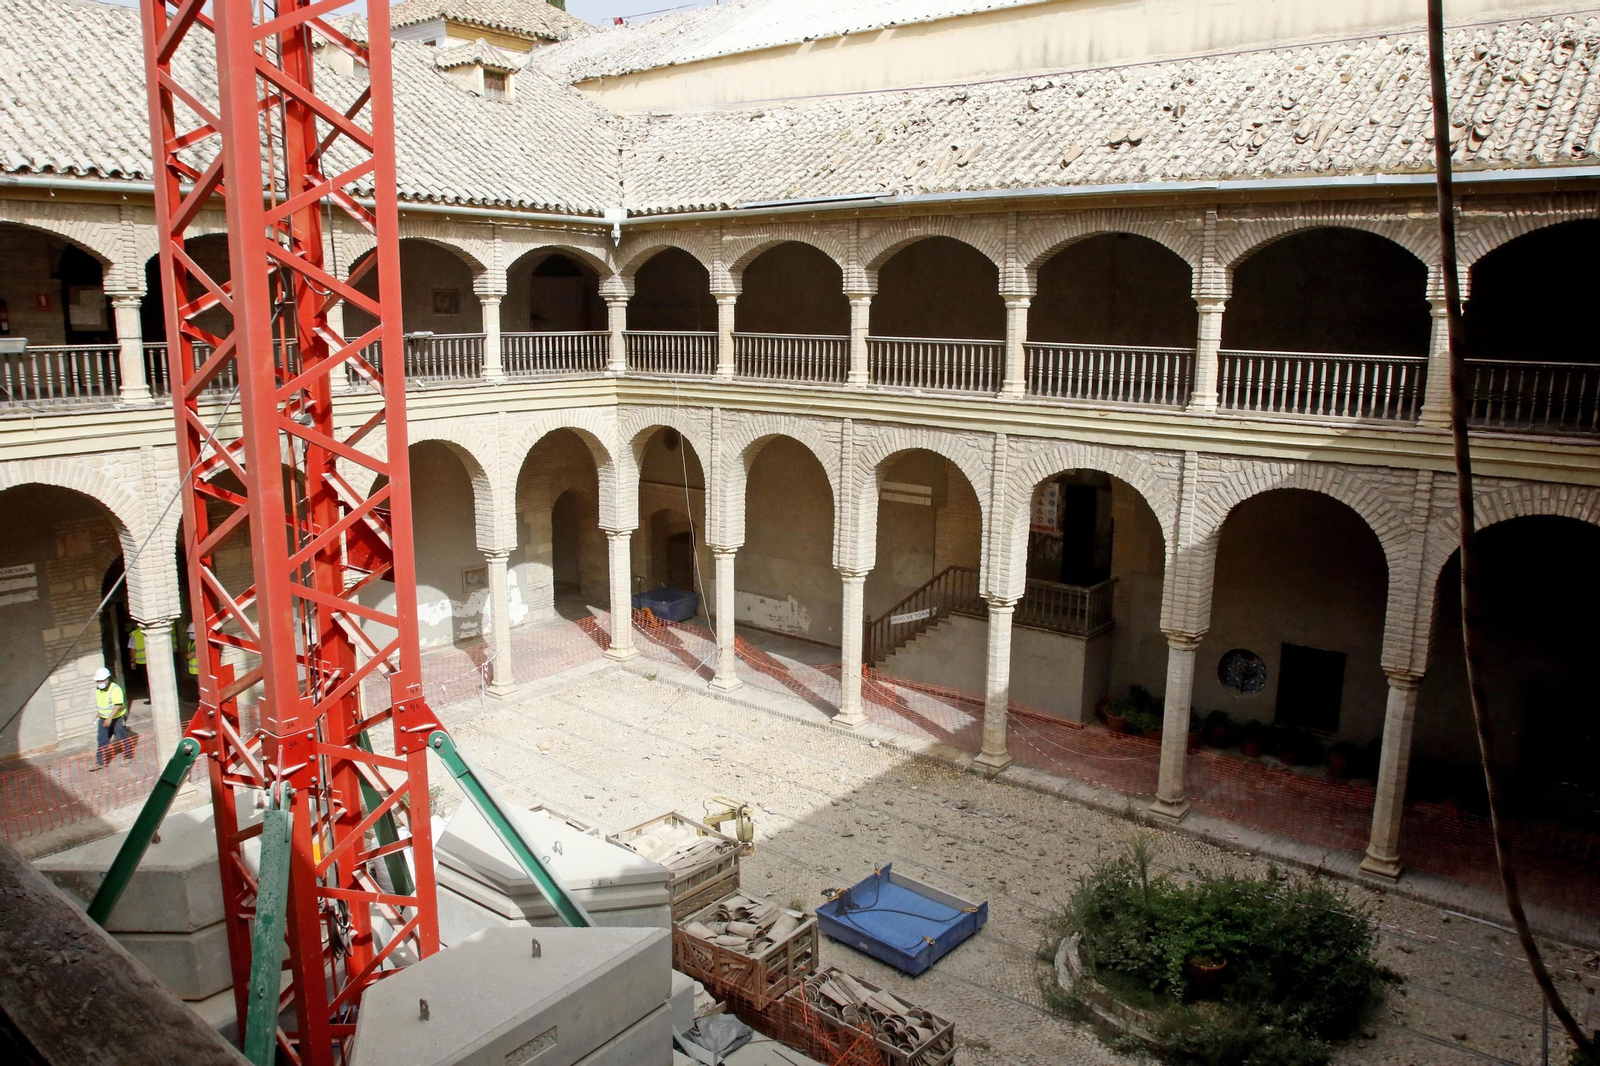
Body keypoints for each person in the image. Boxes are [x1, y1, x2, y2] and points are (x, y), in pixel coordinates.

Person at [91, 666, 131, 770]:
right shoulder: (98, 690)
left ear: (107, 679)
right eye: (98, 681)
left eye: (101, 680)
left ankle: (128, 756)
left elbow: (118, 705)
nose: (99, 683)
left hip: (117, 718)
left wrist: (109, 718)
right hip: (104, 718)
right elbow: (101, 704)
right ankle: (100, 762)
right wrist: (98, 715)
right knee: (102, 739)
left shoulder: (115, 689)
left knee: (122, 736)